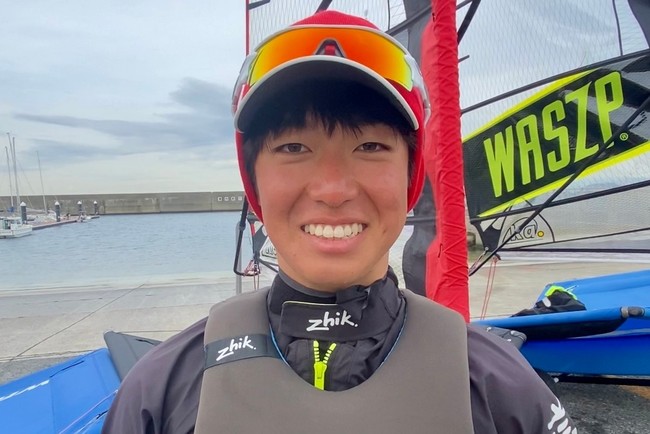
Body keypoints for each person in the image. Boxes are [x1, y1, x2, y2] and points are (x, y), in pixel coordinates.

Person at [102, 10, 577, 434]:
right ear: (254, 181)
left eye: (370, 146)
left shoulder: (501, 391)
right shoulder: (161, 393)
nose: (332, 189)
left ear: (411, 176)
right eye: (293, 148)